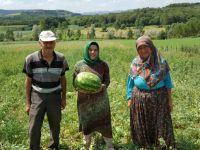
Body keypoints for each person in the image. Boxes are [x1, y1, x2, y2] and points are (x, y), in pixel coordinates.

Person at [126, 36, 176, 149]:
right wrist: (129, 97)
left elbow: (168, 83)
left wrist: (170, 100)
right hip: (139, 98)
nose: (143, 50)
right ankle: (145, 144)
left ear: (151, 47)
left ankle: (162, 144)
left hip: (159, 98)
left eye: (146, 47)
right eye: (140, 48)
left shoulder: (161, 62)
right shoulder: (135, 63)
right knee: (142, 122)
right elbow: (130, 82)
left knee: (161, 122)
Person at [23, 30, 69, 150]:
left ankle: (54, 146)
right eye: (45, 42)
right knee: (34, 126)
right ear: (40, 43)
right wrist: (28, 103)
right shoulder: (30, 59)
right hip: (37, 96)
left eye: (51, 42)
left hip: (55, 95)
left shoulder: (61, 58)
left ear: (55, 43)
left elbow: (63, 79)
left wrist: (63, 98)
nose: (48, 45)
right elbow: (28, 81)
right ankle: (34, 147)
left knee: (55, 124)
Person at [73, 41, 114, 150]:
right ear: (86, 51)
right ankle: (86, 145)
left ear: (98, 51)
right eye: (90, 50)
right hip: (84, 102)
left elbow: (107, 80)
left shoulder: (103, 64)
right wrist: (82, 89)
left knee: (104, 123)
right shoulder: (79, 65)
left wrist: (102, 87)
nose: (93, 52)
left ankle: (110, 146)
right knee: (87, 124)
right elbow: (75, 83)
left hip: (101, 101)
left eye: (95, 50)